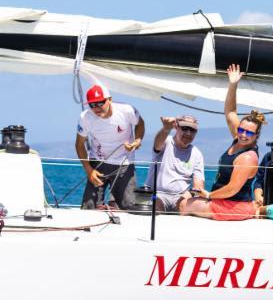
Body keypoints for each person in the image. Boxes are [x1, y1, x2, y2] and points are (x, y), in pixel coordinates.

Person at [182, 64, 261, 221]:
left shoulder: (248, 157)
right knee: (184, 196)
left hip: (233, 206)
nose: (244, 134)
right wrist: (233, 84)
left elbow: (232, 189)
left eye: (249, 133)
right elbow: (230, 112)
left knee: (184, 205)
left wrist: (210, 195)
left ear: (256, 135)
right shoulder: (238, 140)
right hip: (223, 201)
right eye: (241, 130)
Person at [75, 82, 145, 210]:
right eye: (92, 105)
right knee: (89, 208)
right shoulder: (85, 117)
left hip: (124, 164)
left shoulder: (127, 110)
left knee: (129, 207)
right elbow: (79, 145)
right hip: (98, 164)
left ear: (110, 100)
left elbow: (140, 123)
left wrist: (138, 140)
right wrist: (89, 170)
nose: (96, 108)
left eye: (100, 103)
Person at [146, 115, 205, 214]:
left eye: (192, 130)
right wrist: (165, 129)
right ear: (176, 127)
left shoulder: (197, 154)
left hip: (181, 196)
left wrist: (190, 194)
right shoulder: (166, 141)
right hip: (158, 194)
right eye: (185, 128)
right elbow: (157, 145)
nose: (188, 133)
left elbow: (198, 187)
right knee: (156, 207)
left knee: (194, 207)